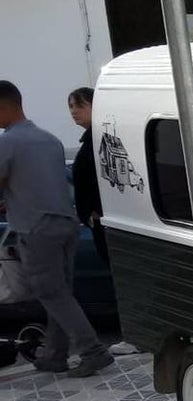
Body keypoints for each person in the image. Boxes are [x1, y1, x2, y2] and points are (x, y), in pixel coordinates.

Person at [0, 80, 112, 376]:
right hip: (66, 224)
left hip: (37, 229)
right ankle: (55, 355)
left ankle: (93, 351)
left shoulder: (8, 142)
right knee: (60, 293)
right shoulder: (49, 140)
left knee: (51, 294)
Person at [67, 86, 107, 267]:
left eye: (80, 105)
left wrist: (95, 210)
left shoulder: (99, 139)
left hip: (103, 219)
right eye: (71, 106)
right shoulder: (91, 139)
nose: (74, 111)